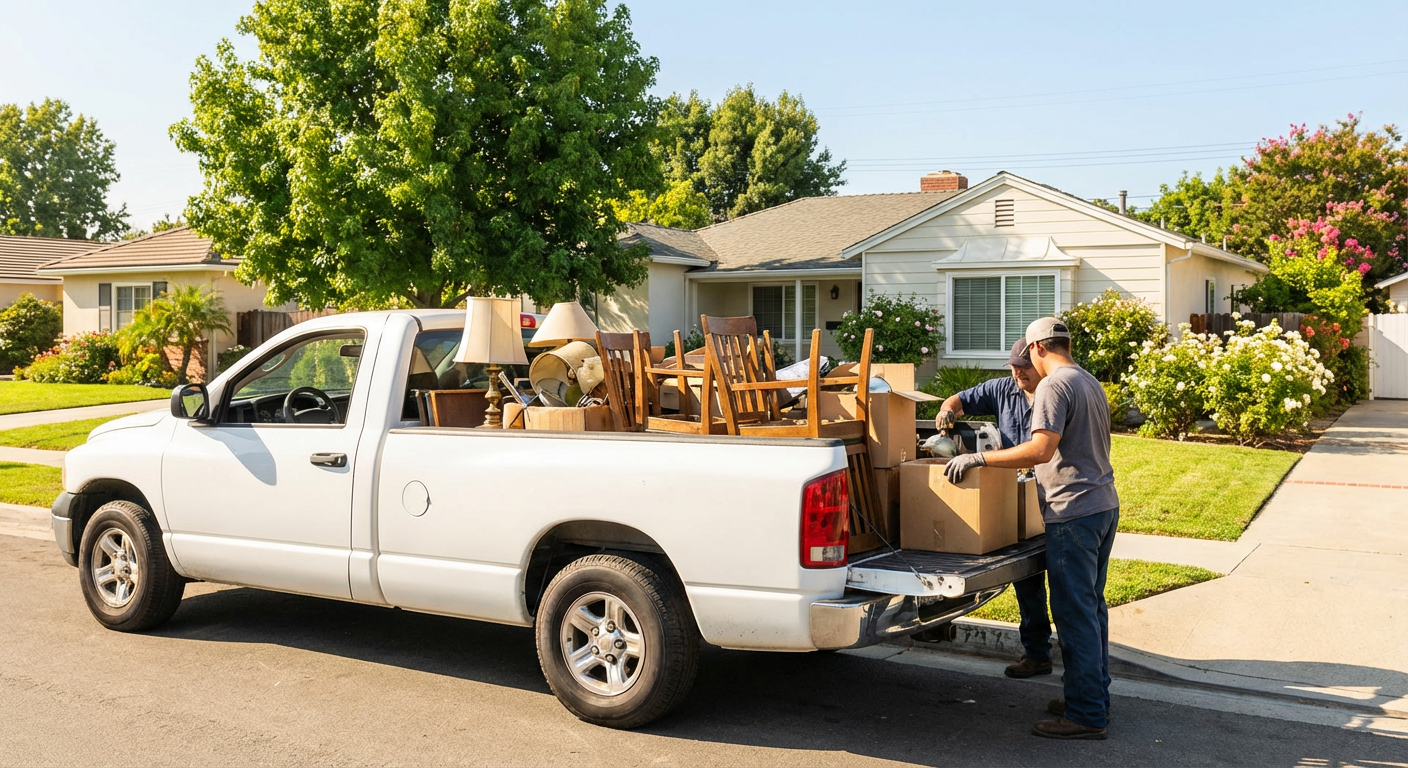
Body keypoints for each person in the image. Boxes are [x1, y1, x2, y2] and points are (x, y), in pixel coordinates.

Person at [942, 317, 1119, 741]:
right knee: (1091, 609)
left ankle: (1086, 714)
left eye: (1028, 356)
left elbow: (1041, 449)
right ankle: (1090, 697)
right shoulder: (1087, 380)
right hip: (1101, 505)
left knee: (1075, 614)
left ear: (1038, 346)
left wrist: (979, 460)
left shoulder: (1053, 386)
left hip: (1072, 511)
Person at [934, 337, 1053, 682]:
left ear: (1040, 363)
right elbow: (960, 400)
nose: (1018, 374)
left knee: (1063, 587)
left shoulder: (1055, 393)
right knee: (1026, 578)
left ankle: (1077, 668)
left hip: (1053, 493)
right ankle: (1037, 654)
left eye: (1024, 368)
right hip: (1012, 492)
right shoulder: (1002, 389)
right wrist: (948, 410)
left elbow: (1040, 449)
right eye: (1014, 368)